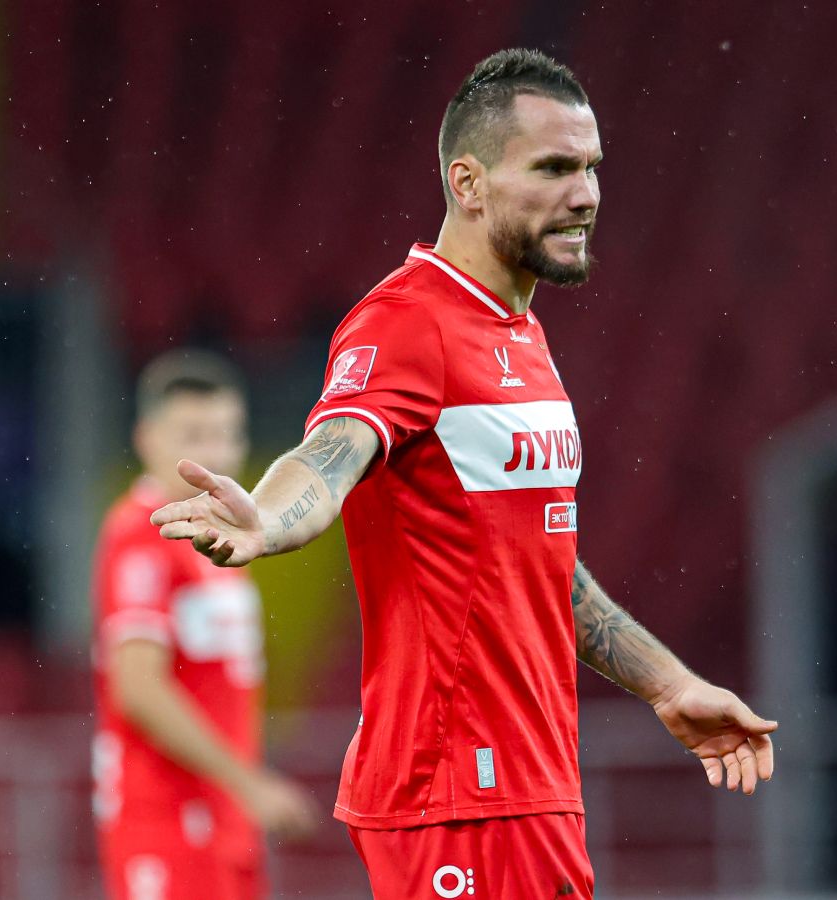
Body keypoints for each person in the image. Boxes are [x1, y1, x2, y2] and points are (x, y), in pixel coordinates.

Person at [151, 49, 776, 898]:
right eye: (553, 168)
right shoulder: (405, 324)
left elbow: (535, 564)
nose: (585, 195)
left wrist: (668, 686)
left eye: (591, 168)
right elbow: (330, 453)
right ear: (468, 182)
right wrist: (267, 518)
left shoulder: (523, 336)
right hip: (454, 793)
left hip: (533, 789)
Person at [91, 350, 316, 900]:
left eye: (226, 435)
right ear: (147, 439)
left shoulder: (220, 541)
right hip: (165, 819)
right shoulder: (140, 536)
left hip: (223, 818)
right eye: (194, 437)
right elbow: (138, 689)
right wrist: (249, 783)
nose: (215, 455)